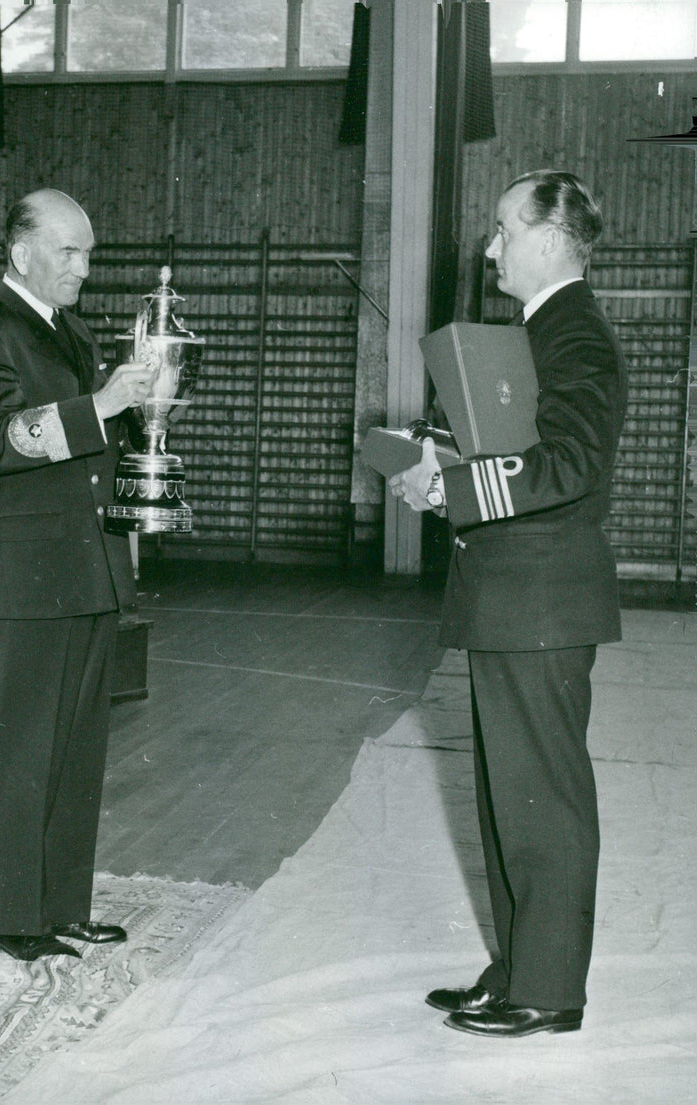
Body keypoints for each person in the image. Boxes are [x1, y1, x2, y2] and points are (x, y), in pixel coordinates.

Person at [389, 170, 627, 1037]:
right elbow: (522, 450)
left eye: (500, 230)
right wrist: (438, 459)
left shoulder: (576, 335)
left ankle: (551, 988)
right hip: (515, 594)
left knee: (543, 799)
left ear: (550, 238)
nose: (489, 247)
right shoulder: (541, 330)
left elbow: (570, 465)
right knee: (508, 796)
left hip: (543, 598)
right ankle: (519, 967)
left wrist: (452, 487)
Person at [0, 189, 157, 961]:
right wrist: (102, 403)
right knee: (20, 752)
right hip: (28, 580)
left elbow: (98, 436)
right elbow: (5, 440)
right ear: (21, 253)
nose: (84, 266)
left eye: (89, 252)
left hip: (88, 570)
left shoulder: (72, 331)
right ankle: (12, 916)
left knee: (76, 752)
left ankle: (64, 904)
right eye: (69, 251)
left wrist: (144, 401)